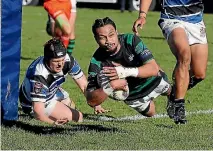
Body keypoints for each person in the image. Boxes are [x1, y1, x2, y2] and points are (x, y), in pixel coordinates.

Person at [132, 0, 208, 124]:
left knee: (199, 74)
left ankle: (172, 93)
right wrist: (142, 15)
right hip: (171, 19)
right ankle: (178, 106)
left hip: (196, 21)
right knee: (184, 55)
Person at [85, 17, 171, 117]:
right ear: (96, 38)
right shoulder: (96, 62)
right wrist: (111, 86)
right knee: (151, 113)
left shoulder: (130, 40)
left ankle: (170, 94)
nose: (108, 41)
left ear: (117, 32)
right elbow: (91, 100)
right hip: (132, 94)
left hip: (149, 79)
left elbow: (153, 69)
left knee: (167, 87)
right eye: (102, 37)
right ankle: (148, 99)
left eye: (111, 35)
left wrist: (123, 72)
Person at [19, 39, 87, 125]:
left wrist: (95, 102)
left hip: (51, 90)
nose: (60, 64)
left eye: (62, 60)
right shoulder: (40, 76)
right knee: (78, 117)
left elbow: (84, 85)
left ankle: (60, 107)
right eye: (56, 61)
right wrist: (53, 123)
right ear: (47, 60)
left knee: (70, 106)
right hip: (33, 103)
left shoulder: (67, 60)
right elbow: (38, 111)